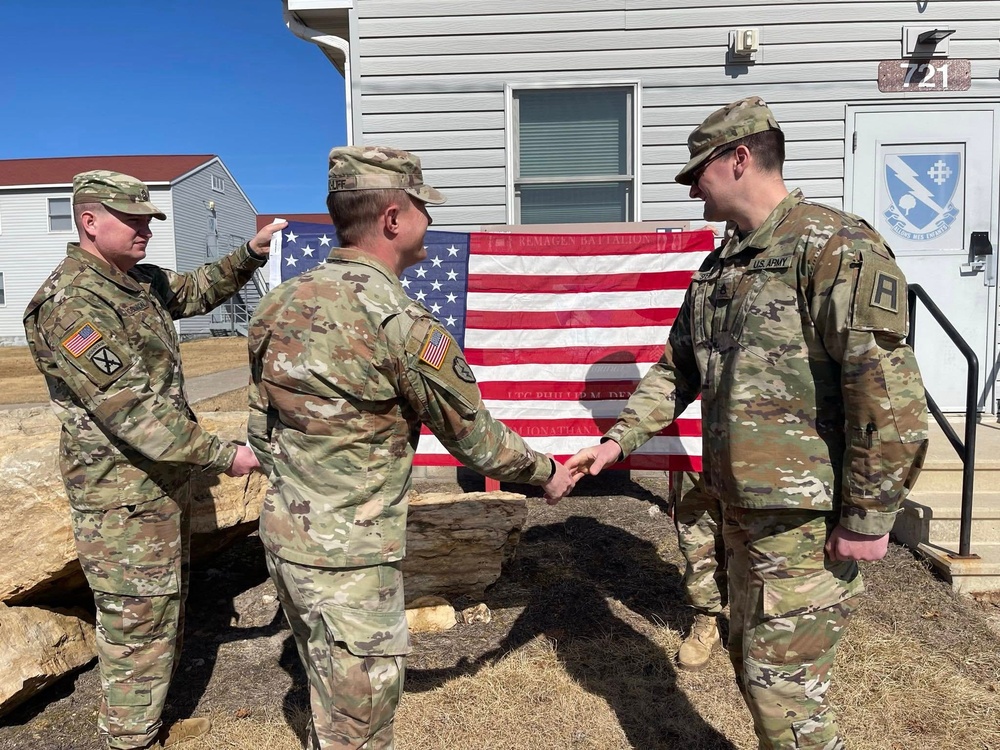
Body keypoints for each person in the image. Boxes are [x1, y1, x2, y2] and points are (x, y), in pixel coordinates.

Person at [567, 97, 928, 749]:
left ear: (739, 159)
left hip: (803, 523)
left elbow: (886, 392)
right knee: (753, 672)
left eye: (697, 173)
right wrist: (615, 442)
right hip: (738, 510)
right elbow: (676, 370)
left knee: (785, 699)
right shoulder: (720, 270)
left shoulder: (834, 247)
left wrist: (869, 516)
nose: (692, 191)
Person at [247, 145, 576, 750]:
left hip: (288, 541)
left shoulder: (277, 303)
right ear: (393, 218)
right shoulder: (400, 323)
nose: (431, 220)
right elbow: (477, 441)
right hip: (352, 562)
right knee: (360, 727)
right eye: (424, 208)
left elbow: (260, 428)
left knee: (327, 690)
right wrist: (547, 472)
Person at [23, 170, 287, 750]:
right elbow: (133, 413)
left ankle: (145, 724)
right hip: (120, 497)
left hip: (158, 488)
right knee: (136, 622)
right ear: (90, 221)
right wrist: (224, 456)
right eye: (133, 219)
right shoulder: (71, 304)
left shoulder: (136, 281)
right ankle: (129, 739)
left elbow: (195, 290)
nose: (146, 229)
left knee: (162, 610)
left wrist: (250, 252)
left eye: (149, 218)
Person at [668, 470, 726, 671]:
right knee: (700, 534)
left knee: (764, 540)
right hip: (696, 457)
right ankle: (707, 620)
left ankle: (762, 624)